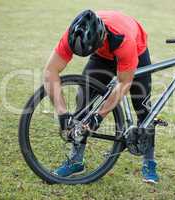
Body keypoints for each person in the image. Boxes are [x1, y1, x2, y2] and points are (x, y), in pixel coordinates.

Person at [43, 10, 159, 183]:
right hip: (102, 55)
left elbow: (124, 83)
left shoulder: (123, 38)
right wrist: (61, 112)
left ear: (102, 35)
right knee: (84, 98)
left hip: (135, 48)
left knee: (142, 106)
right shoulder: (73, 33)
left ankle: (149, 161)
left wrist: (99, 116)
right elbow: (50, 71)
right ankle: (76, 160)